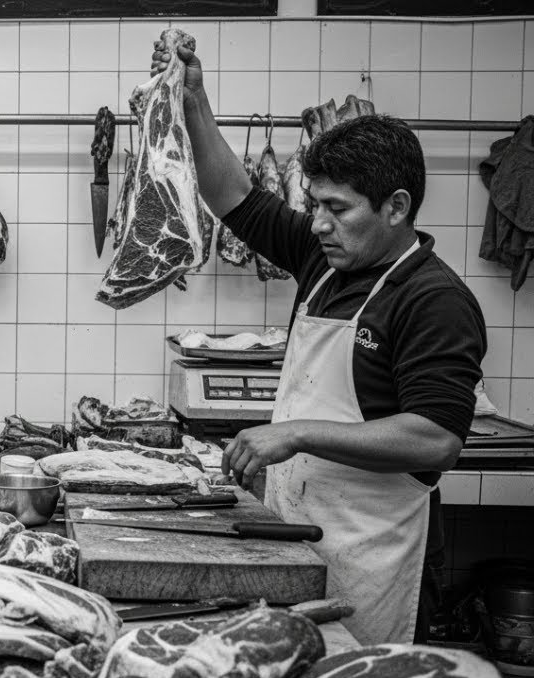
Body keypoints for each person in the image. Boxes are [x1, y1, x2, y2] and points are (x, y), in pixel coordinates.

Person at [151, 42, 486, 645]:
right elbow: (232, 196)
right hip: (297, 532)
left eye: (336, 208)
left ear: (396, 208)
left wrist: (296, 432)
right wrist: (194, 99)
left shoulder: (432, 298)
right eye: (314, 206)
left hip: (372, 553)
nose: (319, 223)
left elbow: (437, 438)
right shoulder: (323, 259)